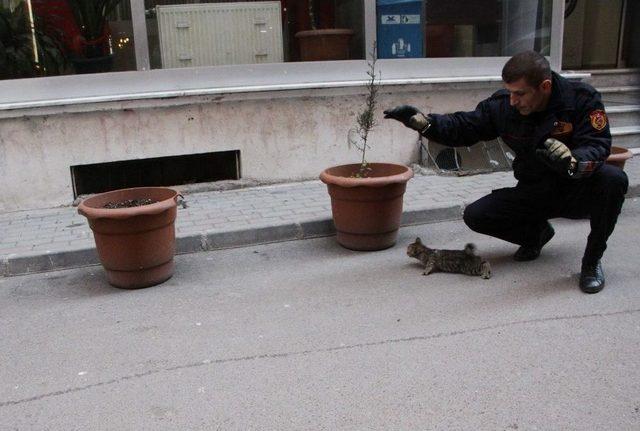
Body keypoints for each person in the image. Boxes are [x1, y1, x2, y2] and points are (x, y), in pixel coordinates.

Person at [384, 50, 628, 294]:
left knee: (614, 179)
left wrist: (573, 160)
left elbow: (597, 144)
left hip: (576, 190)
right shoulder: (504, 107)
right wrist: (426, 124)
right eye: (510, 92)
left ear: (544, 86)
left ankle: (592, 262)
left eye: (520, 93)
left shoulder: (581, 100)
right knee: (476, 214)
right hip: (535, 190)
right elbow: (465, 126)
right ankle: (536, 235)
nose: (513, 100)